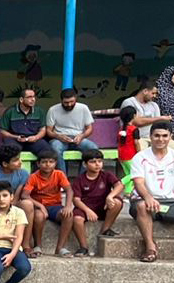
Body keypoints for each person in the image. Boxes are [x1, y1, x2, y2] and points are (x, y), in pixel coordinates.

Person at [129, 121, 174, 263]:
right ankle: (150, 247)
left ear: (170, 137)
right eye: (157, 136)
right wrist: (148, 196)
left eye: (165, 136)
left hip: (170, 201)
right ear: (150, 136)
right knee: (142, 205)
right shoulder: (140, 157)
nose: (161, 139)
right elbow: (138, 182)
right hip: (146, 201)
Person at [0, 145, 36, 254]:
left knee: (27, 204)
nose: (20, 162)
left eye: (19, 158)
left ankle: (25, 245)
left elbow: (16, 196)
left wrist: (10, 209)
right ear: (5, 164)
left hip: (13, 204)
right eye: (15, 160)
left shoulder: (23, 173)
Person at [69, 148, 124, 256]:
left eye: (99, 161)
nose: (97, 164)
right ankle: (83, 247)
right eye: (93, 162)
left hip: (103, 206)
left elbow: (119, 185)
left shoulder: (107, 175)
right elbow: (76, 200)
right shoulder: (79, 179)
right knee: (77, 218)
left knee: (117, 202)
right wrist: (88, 211)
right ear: (85, 164)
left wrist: (110, 196)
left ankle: (105, 229)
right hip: (86, 207)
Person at [22, 149, 75, 256]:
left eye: (51, 162)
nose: (47, 165)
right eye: (44, 162)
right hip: (38, 206)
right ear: (38, 164)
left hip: (55, 206)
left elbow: (69, 190)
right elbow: (24, 195)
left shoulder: (59, 174)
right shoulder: (33, 177)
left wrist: (68, 206)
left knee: (69, 215)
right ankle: (38, 246)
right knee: (38, 216)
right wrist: (40, 206)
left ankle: (60, 248)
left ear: (55, 163)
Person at [45, 88, 98, 163]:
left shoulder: (83, 108)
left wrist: (81, 136)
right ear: (61, 101)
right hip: (59, 139)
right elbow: (49, 131)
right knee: (55, 148)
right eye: (66, 102)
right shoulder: (53, 110)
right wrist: (58, 136)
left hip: (78, 138)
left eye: (72, 102)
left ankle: (83, 174)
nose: (69, 105)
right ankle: (62, 174)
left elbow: (89, 128)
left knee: (93, 148)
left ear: (76, 99)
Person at [0, 88, 50, 157]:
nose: (33, 99)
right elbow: (3, 132)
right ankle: (13, 168)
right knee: (9, 151)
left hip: (33, 139)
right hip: (15, 139)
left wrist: (36, 137)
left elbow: (43, 129)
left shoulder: (39, 111)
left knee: (47, 151)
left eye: (34, 97)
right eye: (29, 97)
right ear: (21, 100)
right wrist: (16, 137)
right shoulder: (10, 111)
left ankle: (37, 168)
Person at [121, 81, 162, 148]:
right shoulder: (129, 102)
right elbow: (135, 122)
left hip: (154, 138)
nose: (154, 96)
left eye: (156, 94)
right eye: (153, 93)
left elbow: (158, 124)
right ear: (145, 91)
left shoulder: (154, 105)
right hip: (136, 139)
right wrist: (160, 118)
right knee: (143, 152)